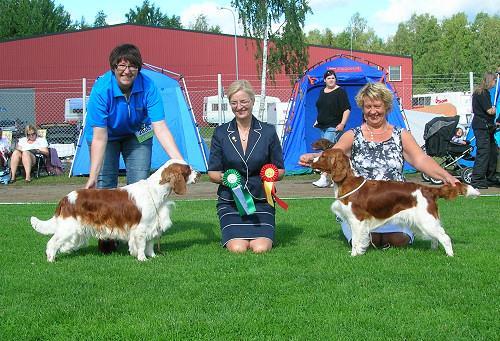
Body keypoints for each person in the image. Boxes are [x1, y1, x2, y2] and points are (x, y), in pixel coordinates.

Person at [299, 82, 459, 249]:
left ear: (387, 107)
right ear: (362, 108)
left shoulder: (400, 135)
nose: (373, 111)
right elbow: (335, 153)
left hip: (395, 206)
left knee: (398, 240)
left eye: (377, 106)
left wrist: (446, 176)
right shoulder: (353, 135)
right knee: (369, 240)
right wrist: (314, 158)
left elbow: (421, 160)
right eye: (368, 106)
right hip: (361, 207)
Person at [84, 43, 184, 252]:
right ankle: (106, 236)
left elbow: (161, 128)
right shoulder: (102, 89)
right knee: (106, 184)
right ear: (113, 67)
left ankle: (135, 233)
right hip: (106, 137)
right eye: (121, 65)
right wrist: (93, 175)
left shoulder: (149, 87)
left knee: (140, 185)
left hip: (137, 135)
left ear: (139, 69)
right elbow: (100, 137)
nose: (127, 71)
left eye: (133, 67)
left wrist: (179, 161)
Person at [208, 80, 285, 253]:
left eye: (244, 101)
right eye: (234, 103)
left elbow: (280, 170)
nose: (239, 107)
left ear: (252, 101)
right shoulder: (220, 133)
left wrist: (270, 175)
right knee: (238, 248)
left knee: (260, 248)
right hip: (231, 202)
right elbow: (213, 173)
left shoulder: (268, 132)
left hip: (262, 201)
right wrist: (230, 181)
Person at [312, 69, 351, 188]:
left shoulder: (340, 92)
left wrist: (342, 124)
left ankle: (324, 178)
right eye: (329, 78)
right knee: (330, 153)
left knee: (328, 153)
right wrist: (317, 120)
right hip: (322, 126)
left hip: (334, 127)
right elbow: (322, 108)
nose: (331, 80)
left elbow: (347, 109)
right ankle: (334, 178)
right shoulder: (322, 91)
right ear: (324, 80)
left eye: (333, 78)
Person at [470, 72, 499, 189]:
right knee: (484, 152)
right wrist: (495, 109)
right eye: (494, 81)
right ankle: (477, 179)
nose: (495, 83)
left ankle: (490, 177)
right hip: (482, 127)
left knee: (493, 152)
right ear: (490, 81)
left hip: (486, 126)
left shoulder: (480, 93)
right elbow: (489, 111)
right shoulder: (482, 93)